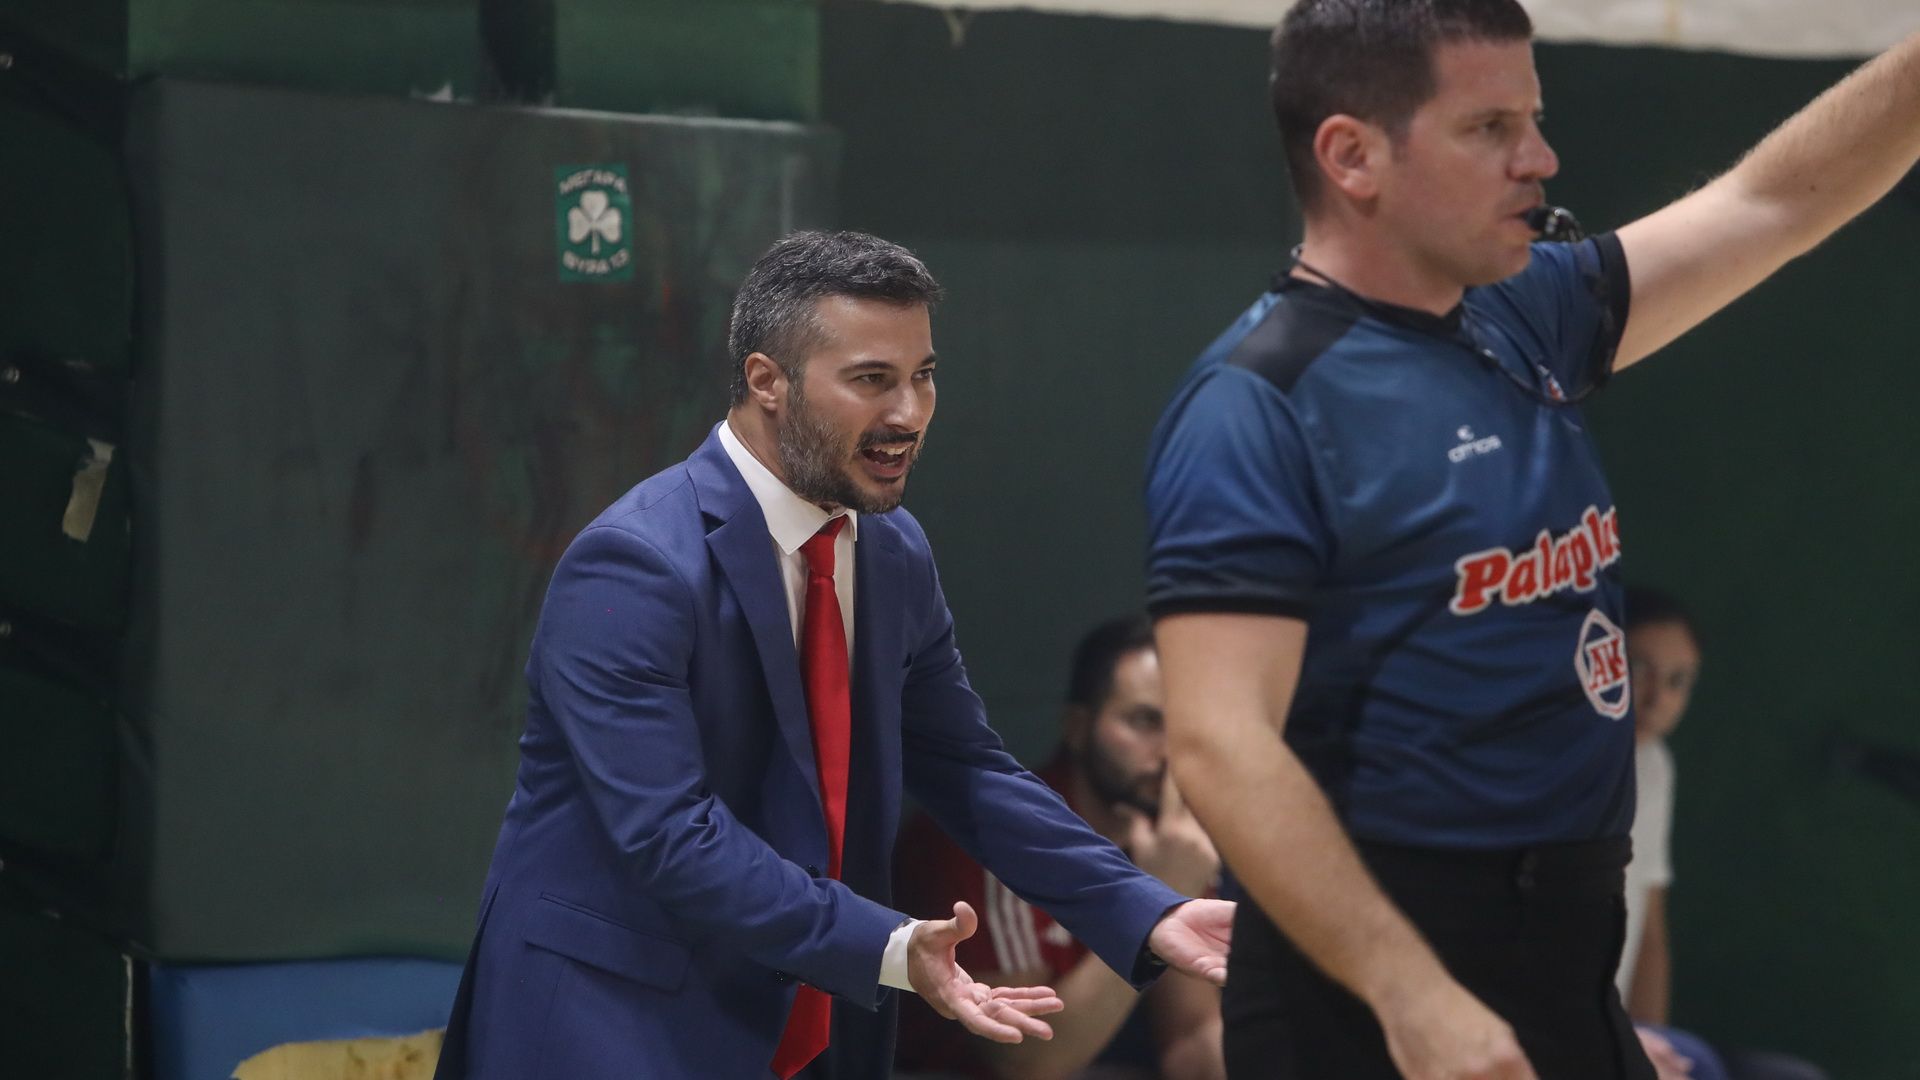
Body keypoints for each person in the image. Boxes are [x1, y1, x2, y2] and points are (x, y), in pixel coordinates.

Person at [1141, 2, 1920, 1078]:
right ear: (1353, 156)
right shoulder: (1257, 404)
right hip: (1378, 987)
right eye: (1490, 128)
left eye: (1535, 119)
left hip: (1568, 959)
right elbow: (1222, 746)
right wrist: (1414, 999)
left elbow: (1773, 199)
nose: (1541, 159)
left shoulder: (1525, 314)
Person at [436, 231, 1233, 1080]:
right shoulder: (634, 563)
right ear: (766, 382)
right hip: (612, 1020)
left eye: (924, 375)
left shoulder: (893, 550)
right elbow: (671, 835)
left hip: (812, 1011)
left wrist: (1145, 912)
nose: (910, 413)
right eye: (872, 379)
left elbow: (968, 769)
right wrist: (888, 945)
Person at [895, 615, 1226, 1080]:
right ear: (1077, 727)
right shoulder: (1003, 833)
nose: (1170, 751)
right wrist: (1157, 896)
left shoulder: (1173, 841)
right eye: (1145, 721)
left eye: (1184, 726)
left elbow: (1191, 1037)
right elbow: (1027, 1060)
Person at [1621, 589, 1828, 1080]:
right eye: (1638, 668)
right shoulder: (1547, 769)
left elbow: (1650, 929)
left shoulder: (1654, 767)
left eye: (1678, 681)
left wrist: (1646, 1044)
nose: (1657, 698)